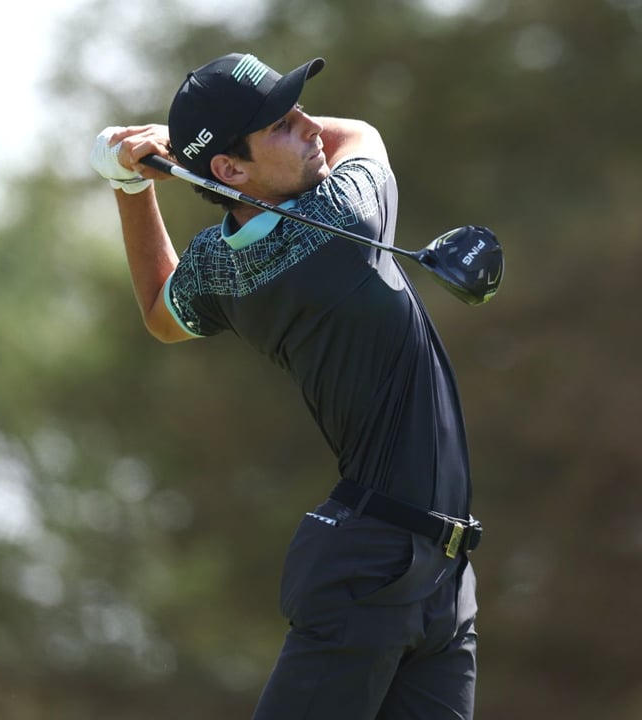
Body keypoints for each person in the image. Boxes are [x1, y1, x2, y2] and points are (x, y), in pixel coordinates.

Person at [89, 52, 481, 720]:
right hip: (370, 564)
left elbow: (160, 309)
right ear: (230, 171)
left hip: (439, 574)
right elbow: (362, 135)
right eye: (280, 123)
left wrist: (132, 188)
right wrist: (171, 149)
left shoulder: (222, 265)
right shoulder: (345, 221)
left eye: (297, 107)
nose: (307, 125)